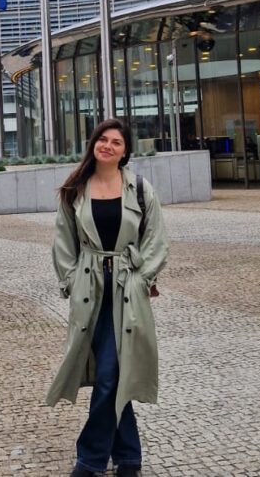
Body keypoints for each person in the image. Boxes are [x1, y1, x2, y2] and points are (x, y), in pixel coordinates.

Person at [47, 118, 169, 477]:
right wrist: (70, 281)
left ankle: (90, 459)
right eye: (103, 139)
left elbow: (157, 240)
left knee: (110, 375)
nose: (108, 145)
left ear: (125, 151)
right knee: (110, 375)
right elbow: (62, 241)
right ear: (93, 144)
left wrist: (141, 278)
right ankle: (128, 456)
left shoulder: (141, 189)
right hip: (90, 292)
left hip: (126, 291)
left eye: (116, 141)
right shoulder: (75, 190)